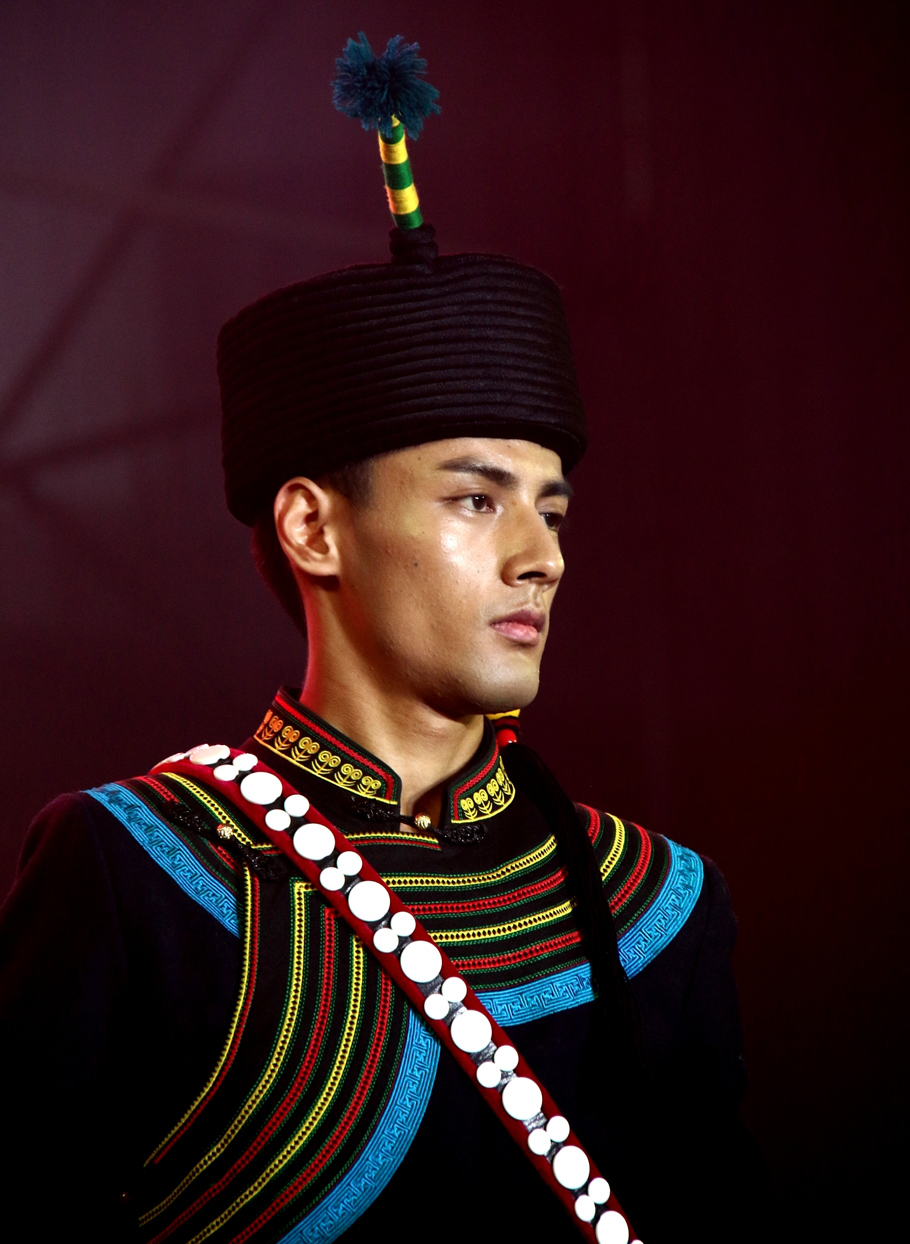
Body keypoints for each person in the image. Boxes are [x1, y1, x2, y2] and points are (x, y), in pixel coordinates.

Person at [0, 35, 763, 1244]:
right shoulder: (137, 872)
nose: (543, 555)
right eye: (475, 498)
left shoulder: (654, 903)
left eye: (552, 507)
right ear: (313, 525)